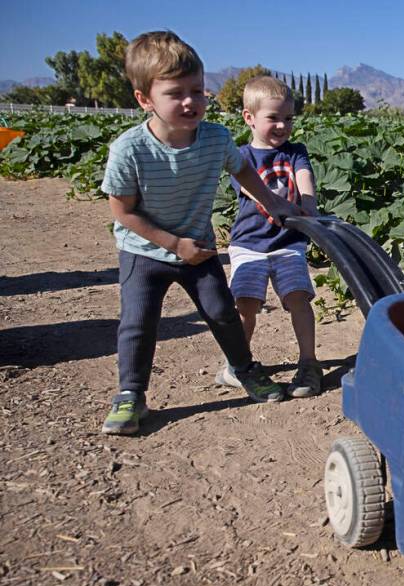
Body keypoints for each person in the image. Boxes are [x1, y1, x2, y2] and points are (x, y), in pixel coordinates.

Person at [100, 31, 302, 435]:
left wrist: (271, 201)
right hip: (145, 251)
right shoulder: (130, 149)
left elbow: (243, 170)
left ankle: (244, 370)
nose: (191, 102)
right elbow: (121, 211)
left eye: (197, 91)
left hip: (200, 248)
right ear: (145, 99)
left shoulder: (215, 138)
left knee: (222, 313)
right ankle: (130, 394)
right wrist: (173, 244)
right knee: (139, 322)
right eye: (176, 94)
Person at [213, 76, 323, 398]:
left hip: (288, 243)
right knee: (246, 304)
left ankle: (309, 363)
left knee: (298, 298)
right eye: (272, 118)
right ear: (249, 117)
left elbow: (304, 177)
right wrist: (276, 204)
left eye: (288, 118)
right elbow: (249, 187)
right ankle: (237, 365)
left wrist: (308, 206)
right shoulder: (241, 156)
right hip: (249, 245)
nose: (282, 126)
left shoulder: (295, 152)